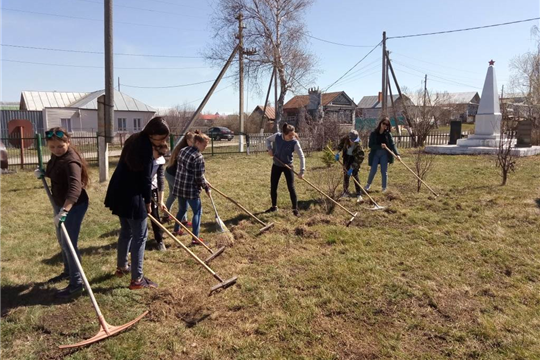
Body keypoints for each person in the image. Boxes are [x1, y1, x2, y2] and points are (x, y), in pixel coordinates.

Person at [104, 117, 169, 290]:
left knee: (126, 230)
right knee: (140, 236)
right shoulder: (146, 148)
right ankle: (137, 280)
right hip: (131, 195)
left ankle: (122, 267)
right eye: (160, 138)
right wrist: (148, 202)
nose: (162, 142)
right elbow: (146, 179)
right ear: (151, 133)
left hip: (118, 190)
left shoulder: (134, 139)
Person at [36, 127, 90, 298]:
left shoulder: (71, 161)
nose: (56, 150)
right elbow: (56, 172)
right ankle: (67, 272)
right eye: (52, 147)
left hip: (74, 206)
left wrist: (65, 210)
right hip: (60, 204)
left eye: (60, 146)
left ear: (68, 142)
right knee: (62, 240)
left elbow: (75, 188)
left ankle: (76, 284)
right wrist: (44, 173)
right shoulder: (56, 157)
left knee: (69, 243)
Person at [172, 133, 211, 243]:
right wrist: (206, 188)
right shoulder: (198, 157)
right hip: (190, 189)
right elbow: (199, 177)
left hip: (179, 187)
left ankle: (176, 230)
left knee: (182, 209)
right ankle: (195, 238)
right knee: (197, 212)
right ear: (197, 143)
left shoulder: (183, 150)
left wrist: (205, 182)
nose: (205, 147)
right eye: (204, 145)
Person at [265, 123, 305, 217]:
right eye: (290, 135)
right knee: (273, 186)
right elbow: (267, 140)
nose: (292, 136)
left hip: (288, 166)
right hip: (276, 165)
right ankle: (274, 207)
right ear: (284, 133)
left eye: (293, 134)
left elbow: (302, 156)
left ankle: (295, 210)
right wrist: (269, 149)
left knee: (291, 187)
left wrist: (302, 171)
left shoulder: (294, 142)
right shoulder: (278, 136)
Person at [164, 131, 199, 230]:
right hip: (173, 175)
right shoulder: (183, 150)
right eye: (192, 142)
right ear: (187, 140)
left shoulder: (184, 148)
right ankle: (183, 220)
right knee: (183, 195)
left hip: (169, 173)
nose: (194, 144)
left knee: (173, 195)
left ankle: (166, 215)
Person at [365, 117, 400, 193]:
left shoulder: (388, 134)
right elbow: (370, 145)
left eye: (386, 125)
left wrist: (397, 154)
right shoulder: (374, 134)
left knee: (384, 171)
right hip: (375, 154)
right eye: (383, 123)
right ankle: (368, 184)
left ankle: (384, 188)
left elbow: (392, 145)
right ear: (380, 123)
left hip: (384, 154)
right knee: (373, 170)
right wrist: (380, 146)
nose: (385, 126)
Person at [335, 129, 365, 202]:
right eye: (352, 140)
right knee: (346, 174)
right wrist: (338, 152)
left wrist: (352, 167)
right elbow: (340, 145)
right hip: (347, 157)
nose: (354, 141)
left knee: (355, 174)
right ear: (349, 138)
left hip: (355, 158)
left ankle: (359, 194)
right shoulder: (345, 139)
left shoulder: (359, 145)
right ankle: (345, 192)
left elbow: (360, 158)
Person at [149, 143, 168, 251]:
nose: (160, 156)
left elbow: (161, 180)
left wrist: (161, 201)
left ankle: (159, 240)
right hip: (139, 189)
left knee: (155, 215)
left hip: (152, 188)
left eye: (162, 154)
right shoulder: (143, 157)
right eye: (159, 153)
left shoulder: (159, 161)